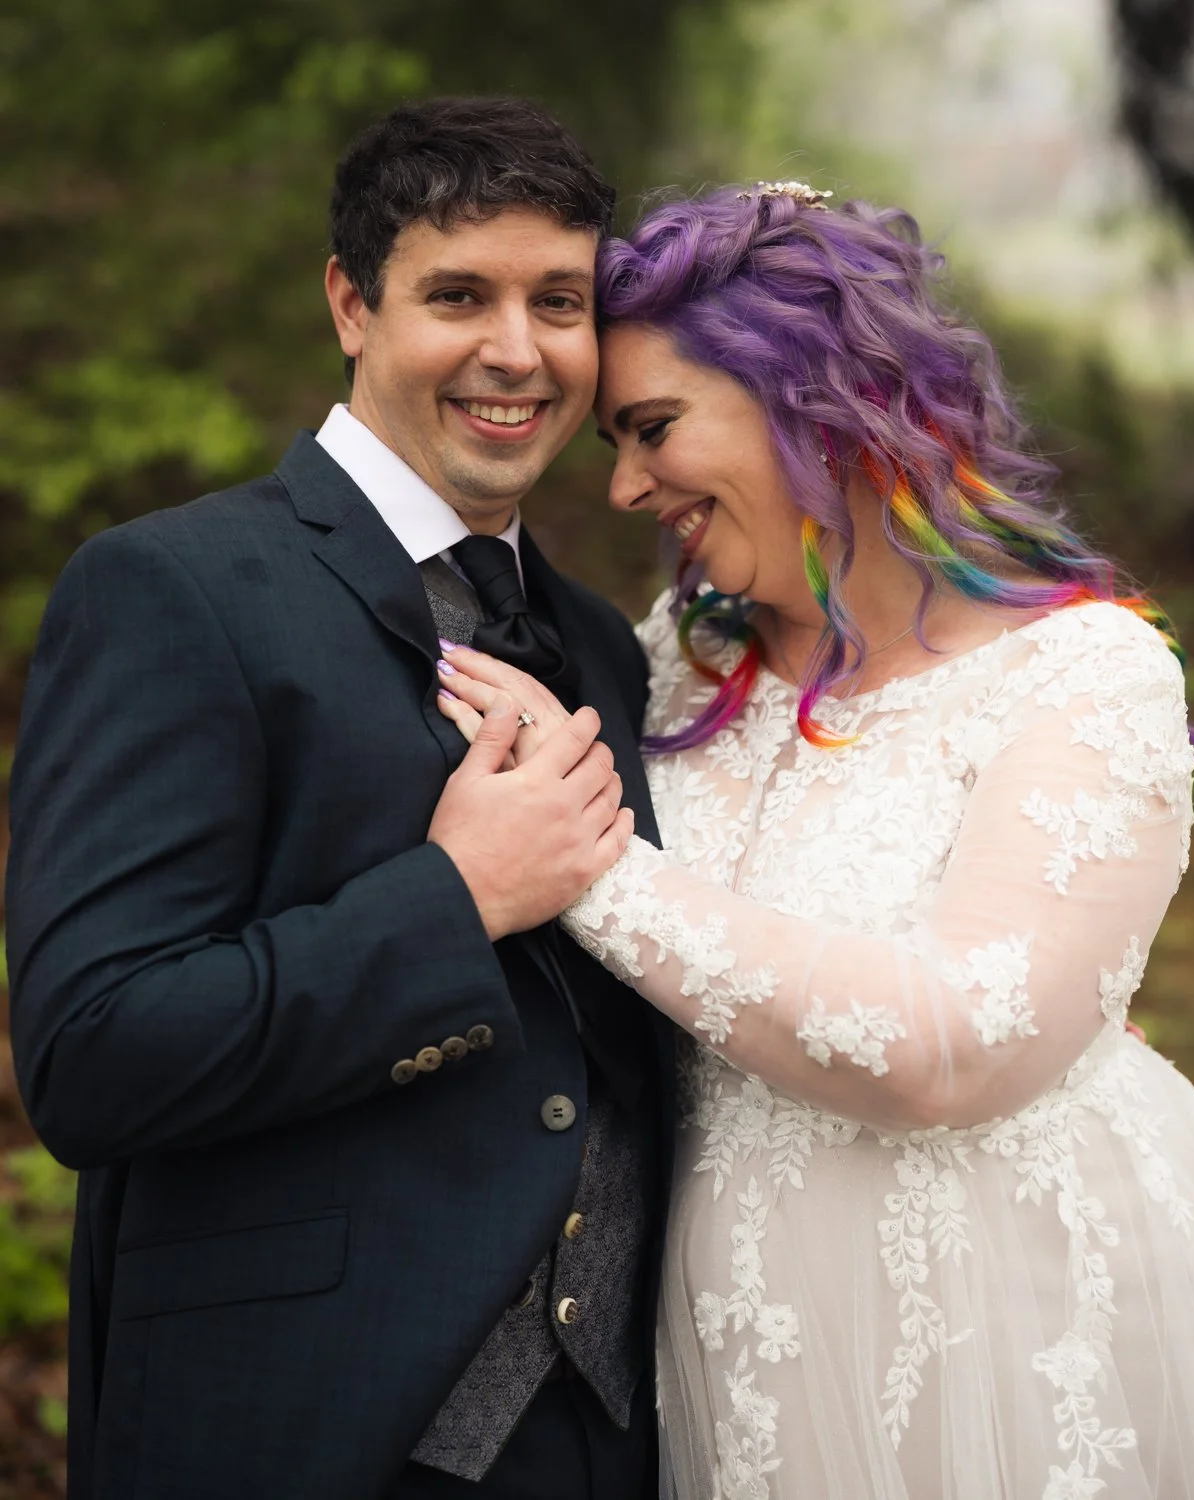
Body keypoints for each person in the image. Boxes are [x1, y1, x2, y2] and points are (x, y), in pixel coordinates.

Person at [434, 183, 1194, 1499]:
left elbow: (955, 1045)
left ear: (817, 399)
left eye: (654, 428)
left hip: (1010, 1320)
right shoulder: (674, 661)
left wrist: (591, 866)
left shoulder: (1085, 673)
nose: (621, 486)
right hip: (737, 1330)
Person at [5, 97, 676, 1500]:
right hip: (301, 1426)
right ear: (349, 304)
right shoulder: (171, 589)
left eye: (561, 301)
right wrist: (457, 902)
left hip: (608, 1438)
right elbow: (93, 1055)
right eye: (459, 295)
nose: (519, 349)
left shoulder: (606, 643)